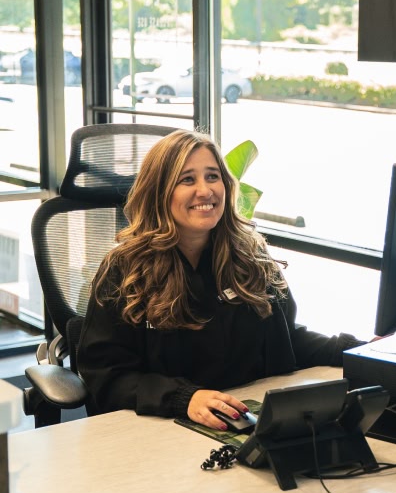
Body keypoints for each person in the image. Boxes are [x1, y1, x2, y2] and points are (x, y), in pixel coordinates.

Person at [77, 129, 363, 428]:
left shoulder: (251, 255)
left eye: (212, 176)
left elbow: (285, 338)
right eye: (187, 179)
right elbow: (107, 375)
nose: (205, 190)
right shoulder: (127, 268)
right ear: (159, 191)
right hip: (162, 427)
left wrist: (356, 350)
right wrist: (184, 398)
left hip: (242, 417)